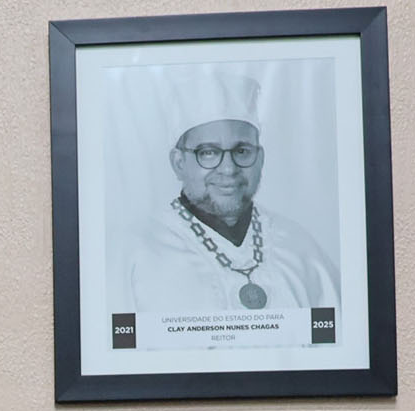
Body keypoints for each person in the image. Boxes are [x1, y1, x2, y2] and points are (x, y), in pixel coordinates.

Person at [113, 72, 340, 314]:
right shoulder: (136, 252)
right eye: (208, 153)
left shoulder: (301, 251)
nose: (229, 169)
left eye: (242, 151)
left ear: (260, 158)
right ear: (178, 163)